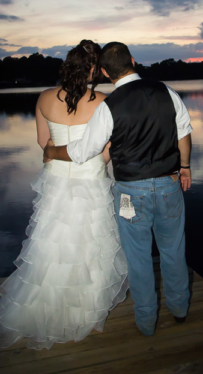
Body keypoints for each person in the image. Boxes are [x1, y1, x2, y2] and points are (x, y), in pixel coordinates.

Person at [44, 42, 192, 337]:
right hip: (168, 185)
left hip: (129, 193)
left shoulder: (109, 106)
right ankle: (179, 309)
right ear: (133, 61)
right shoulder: (166, 92)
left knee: (137, 257)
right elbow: (184, 132)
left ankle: (147, 322)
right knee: (173, 251)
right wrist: (185, 167)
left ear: (103, 72)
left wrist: (52, 152)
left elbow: (83, 151)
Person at [0, 40, 128, 350]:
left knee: (52, 241)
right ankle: (88, 309)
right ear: (95, 70)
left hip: (56, 180)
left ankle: (48, 301)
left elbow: (44, 144)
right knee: (92, 242)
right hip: (92, 179)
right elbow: (107, 150)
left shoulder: (43, 98)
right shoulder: (102, 102)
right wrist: (95, 166)